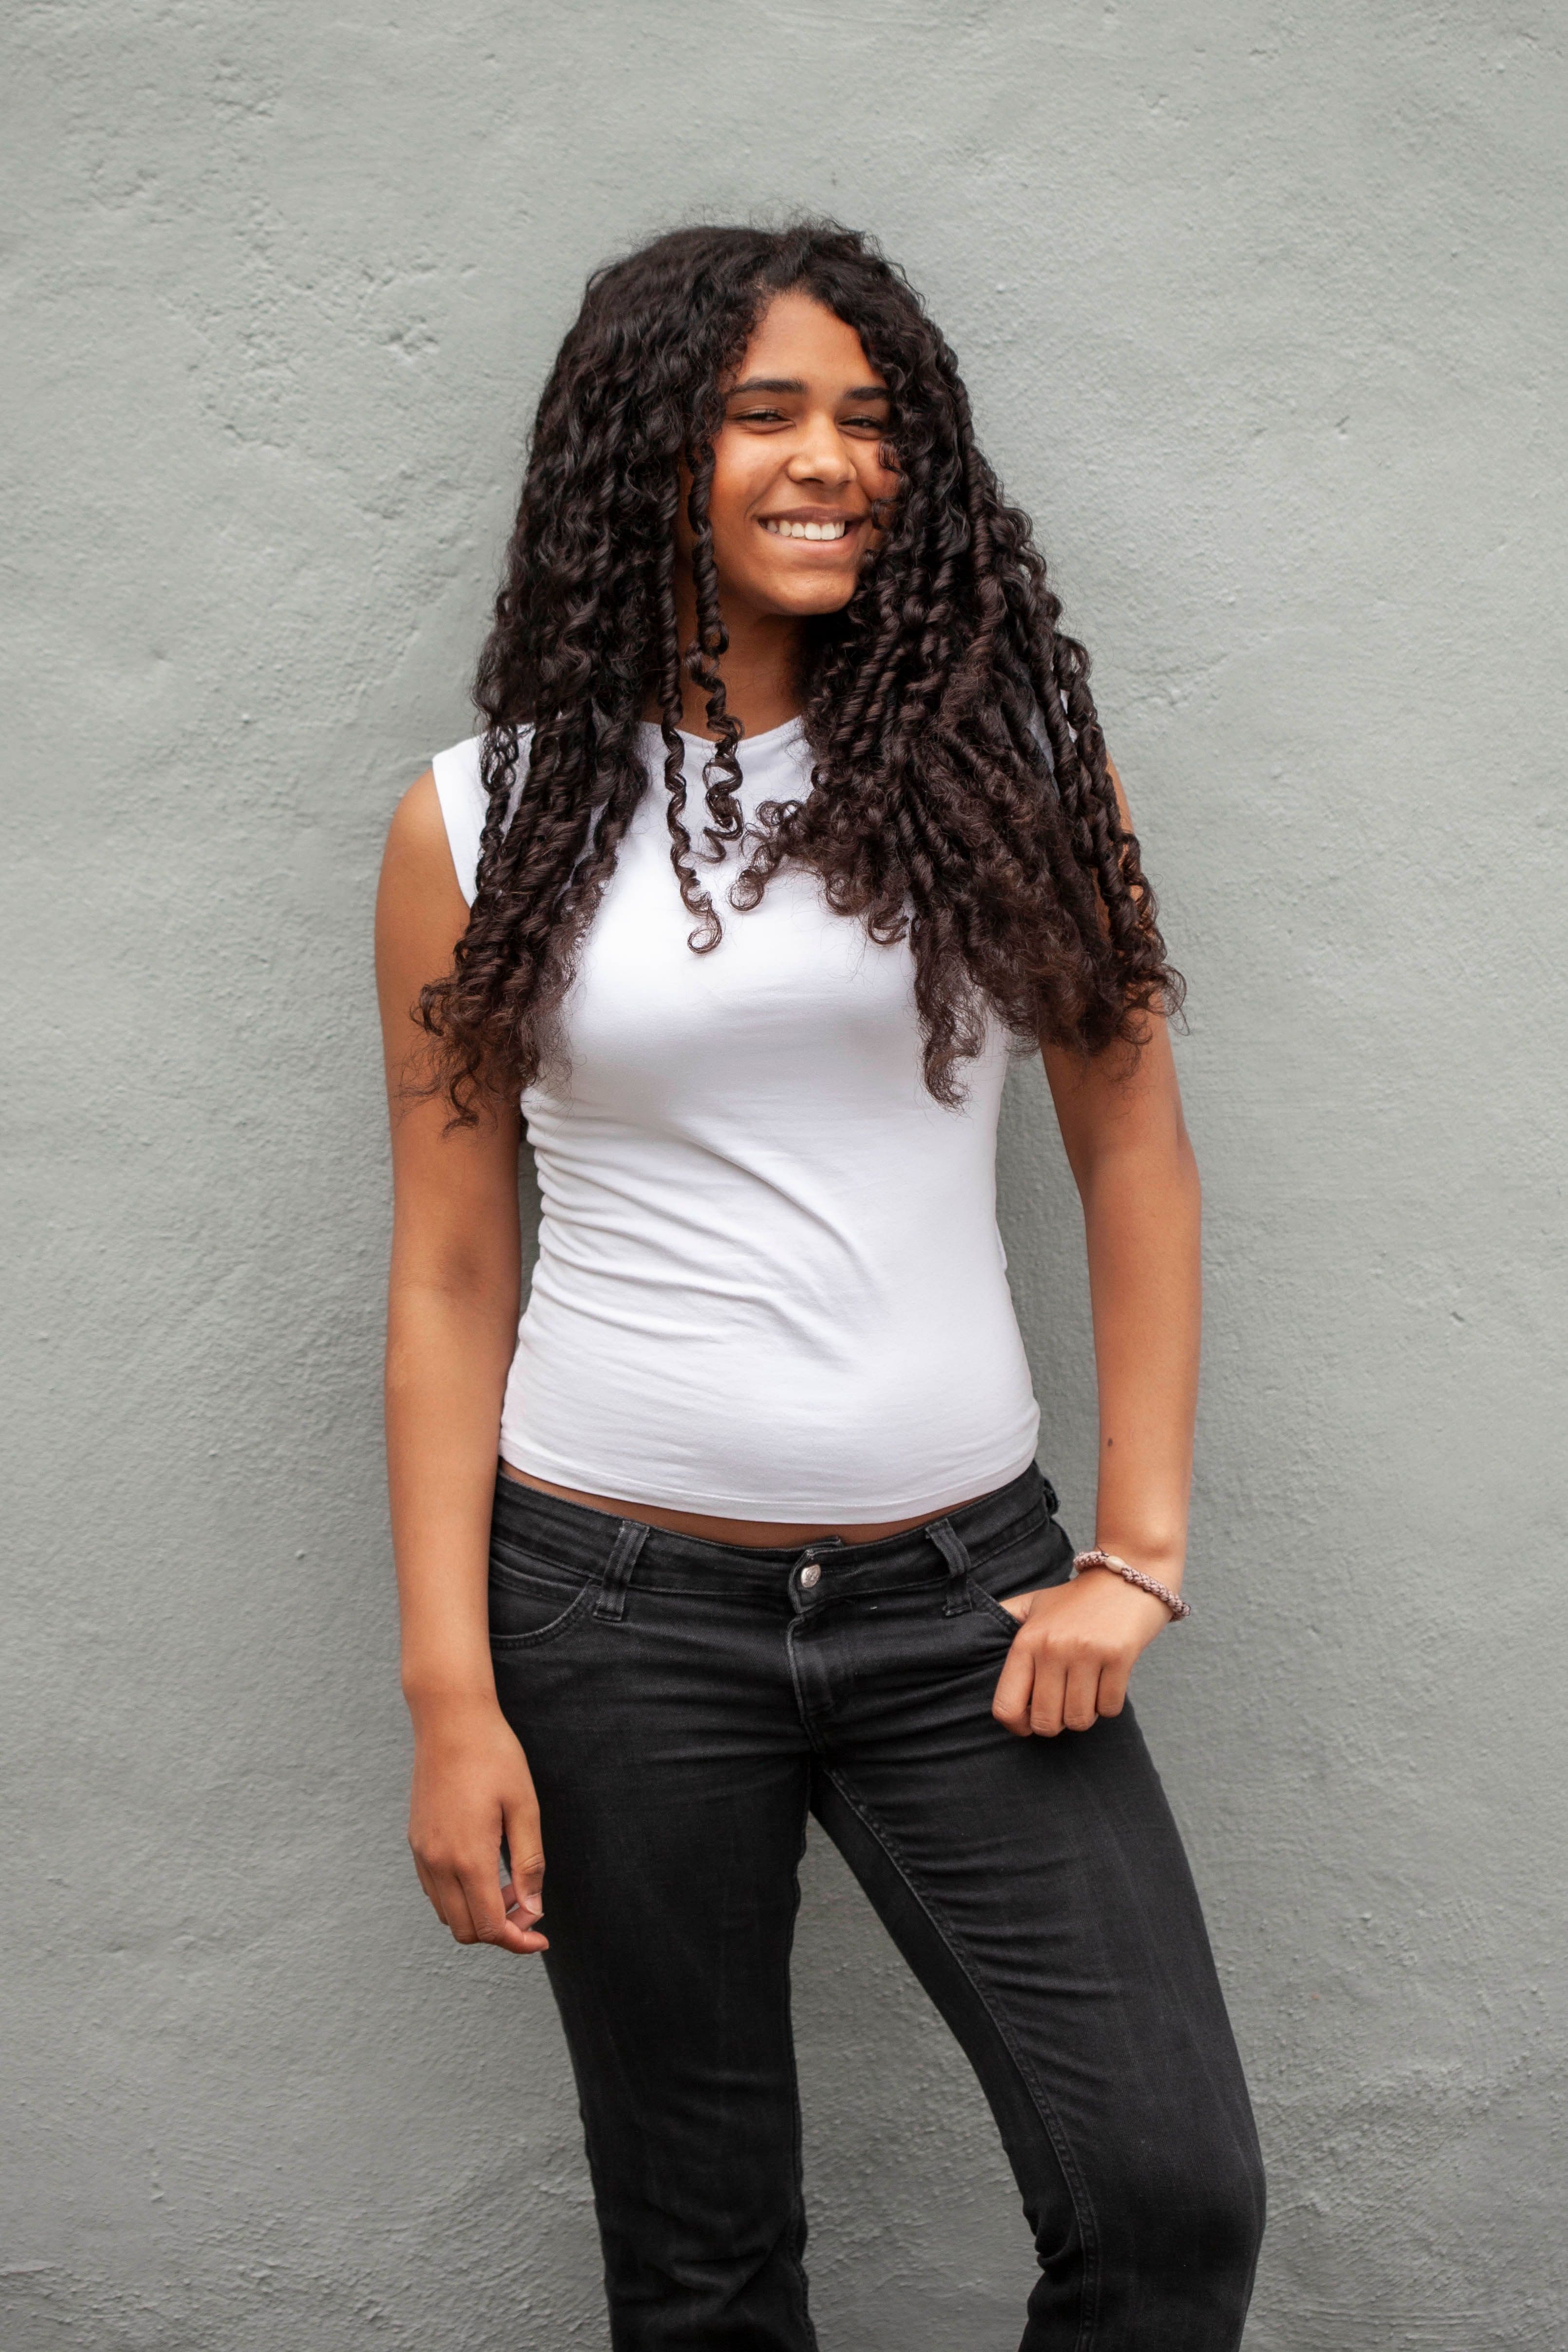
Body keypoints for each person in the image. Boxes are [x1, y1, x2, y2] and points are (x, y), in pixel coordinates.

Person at [374, 220, 1266, 2351]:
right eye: (763, 412)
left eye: (870, 421)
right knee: (702, 2268)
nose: (830, 462)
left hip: (966, 1602)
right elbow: (451, 1264)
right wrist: (449, 1697)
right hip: (607, 1612)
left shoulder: (1008, 772)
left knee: (1169, 2195)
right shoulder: (478, 821)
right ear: (641, 452)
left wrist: (1134, 1557)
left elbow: (1133, 1151)